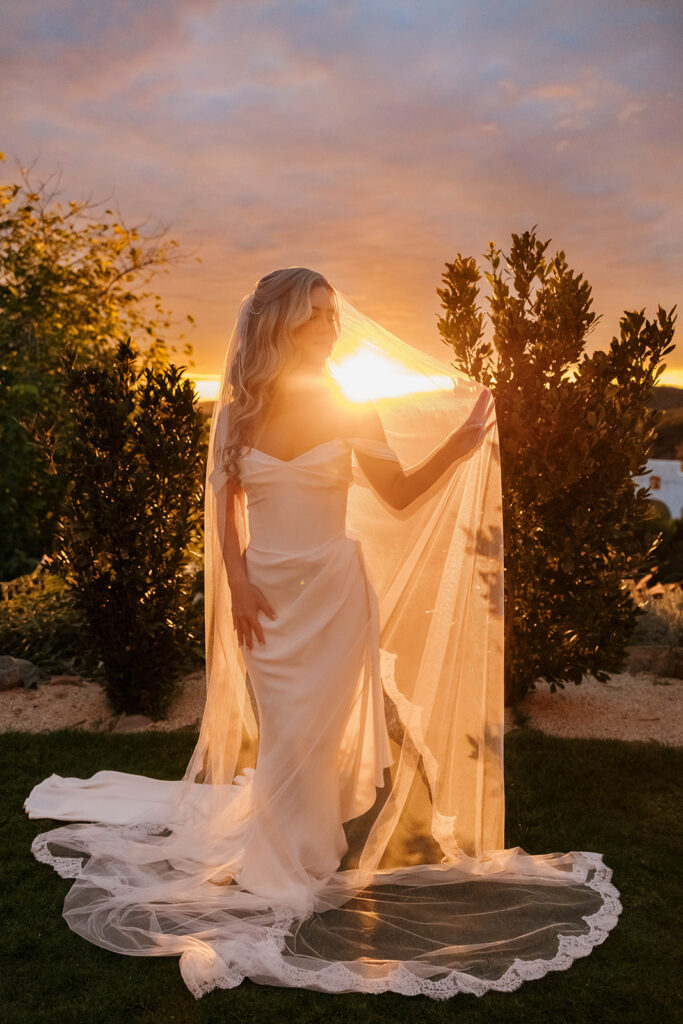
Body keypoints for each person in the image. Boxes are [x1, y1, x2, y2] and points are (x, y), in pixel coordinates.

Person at [24, 267, 621, 1000]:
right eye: (313, 315)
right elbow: (223, 503)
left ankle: (293, 859)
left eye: (332, 314)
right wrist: (237, 581)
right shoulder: (241, 408)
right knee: (286, 730)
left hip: (335, 594)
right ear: (277, 322)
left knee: (313, 729)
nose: (328, 327)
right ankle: (288, 856)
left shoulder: (349, 405)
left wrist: (463, 442)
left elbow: (398, 496)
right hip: (266, 595)